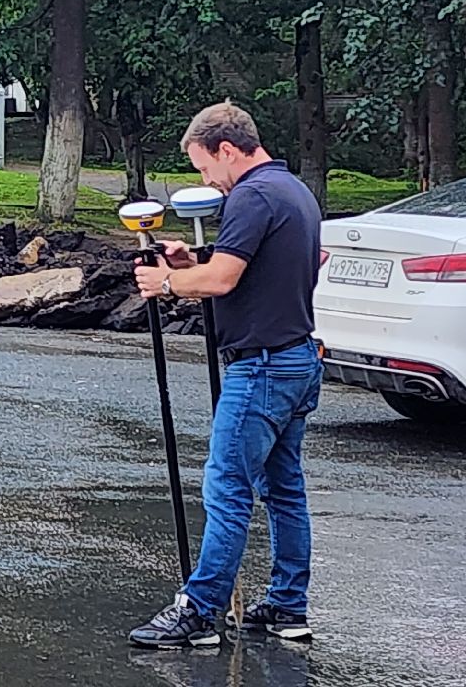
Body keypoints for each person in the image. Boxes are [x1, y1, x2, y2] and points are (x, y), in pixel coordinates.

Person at [127, 101, 324, 648]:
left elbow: (223, 282)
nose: (205, 178)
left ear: (228, 150)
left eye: (203, 166)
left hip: (261, 367)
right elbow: (256, 267)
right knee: (284, 490)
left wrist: (165, 283)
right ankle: (288, 607)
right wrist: (193, 262)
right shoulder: (292, 190)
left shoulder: (251, 196)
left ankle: (199, 610)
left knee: (227, 487)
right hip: (298, 358)